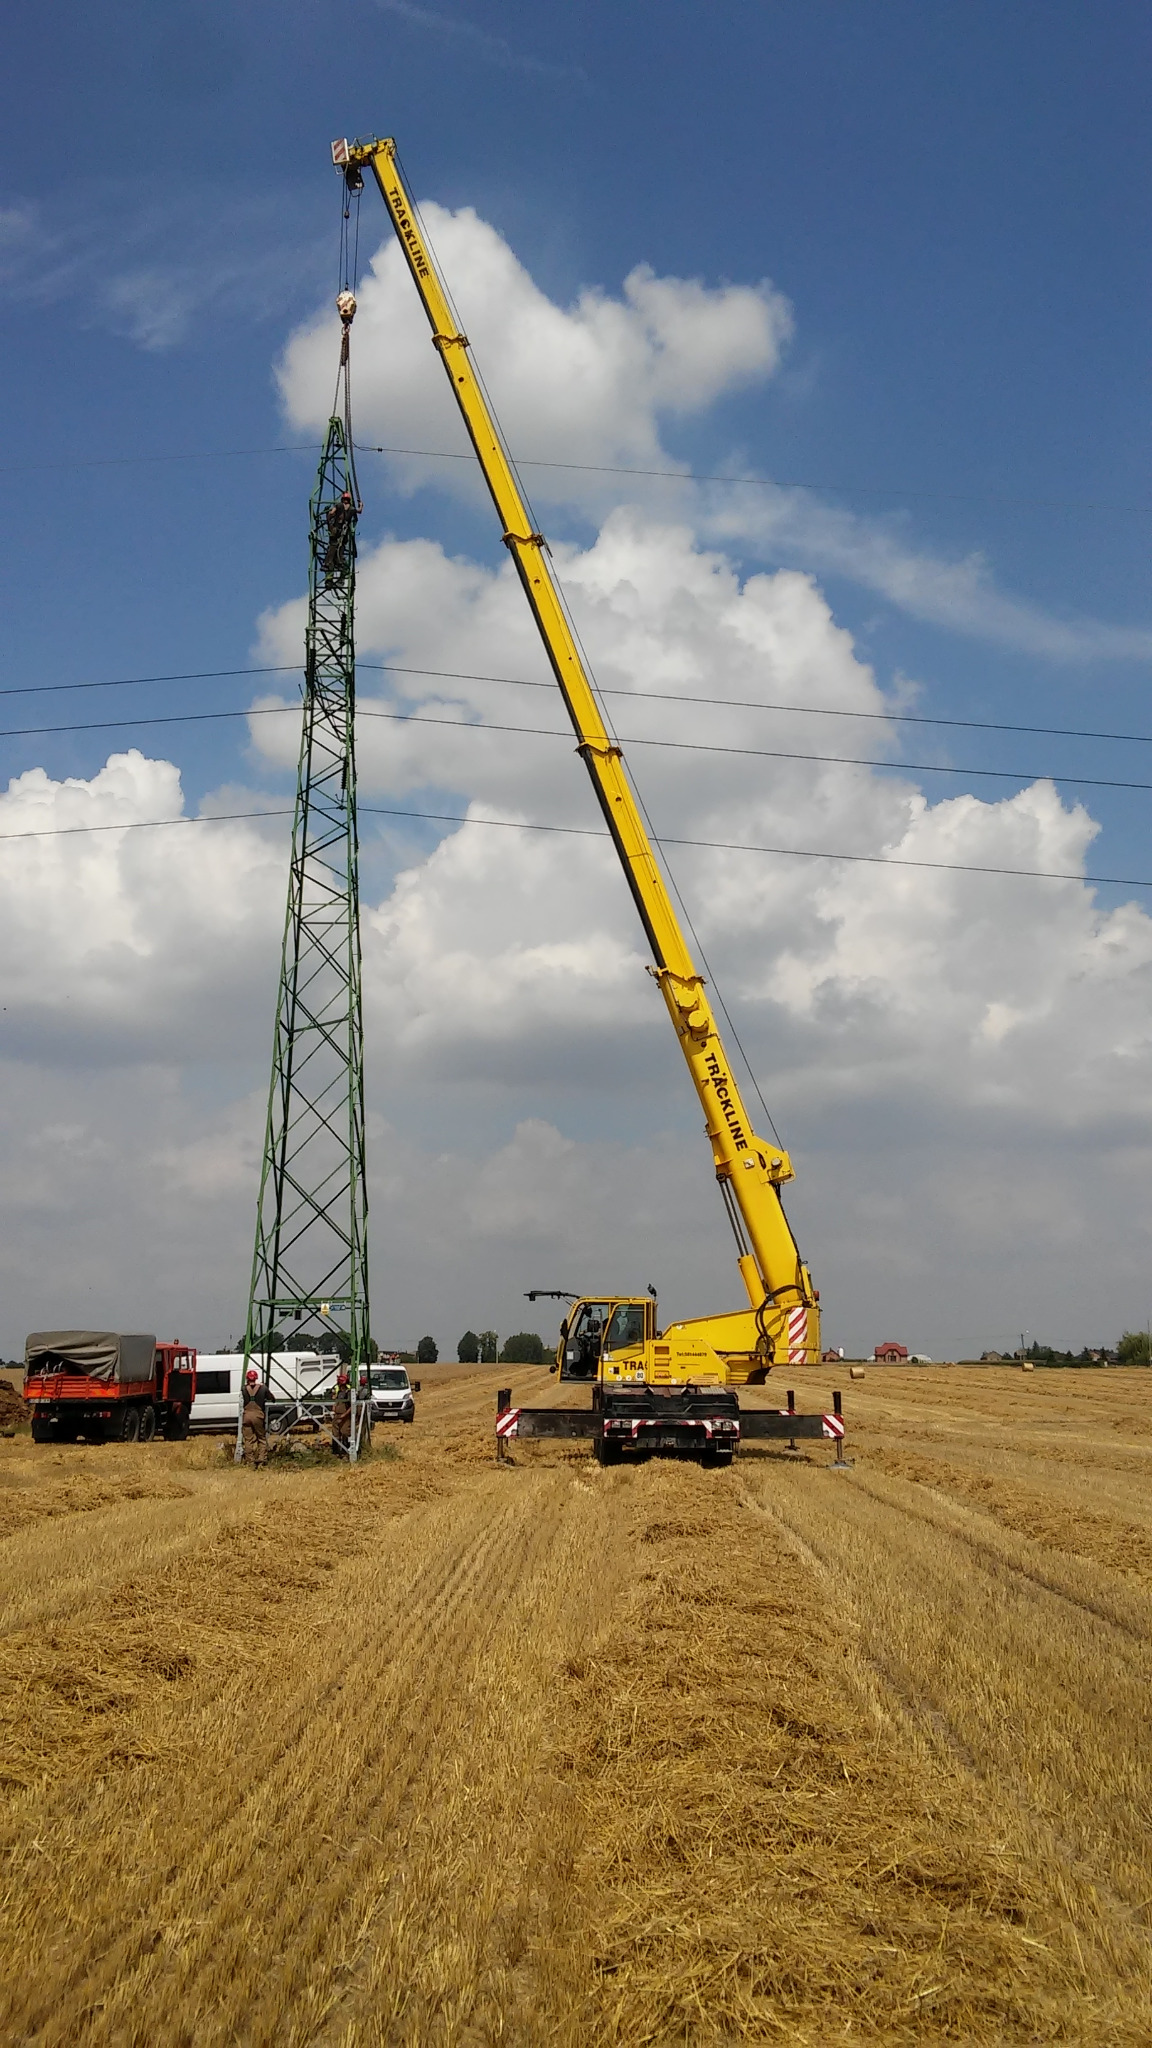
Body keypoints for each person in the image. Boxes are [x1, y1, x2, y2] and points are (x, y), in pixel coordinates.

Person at [323, 492, 356, 586]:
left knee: (332, 554)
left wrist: (328, 519)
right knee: (338, 555)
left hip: (336, 534)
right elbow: (359, 511)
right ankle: (337, 578)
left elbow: (331, 513)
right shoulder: (351, 509)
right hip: (343, 536)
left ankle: (330, 579)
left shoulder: (338, 506)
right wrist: (361, 506)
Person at [241, 1368, 270, 1468]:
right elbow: (272, 1398)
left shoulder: (244, 1389)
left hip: (246, 1416)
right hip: (258, 1416)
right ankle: (261, 1459)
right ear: (256, 1378)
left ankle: (250, 1461)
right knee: (261, 1438)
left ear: (247, 1378)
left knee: (248, 1440)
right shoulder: (263, 1388)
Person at [332, 1370, 352, 1456]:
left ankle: (345, 1451)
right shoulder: (339, 1392)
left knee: (345, 1432)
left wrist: (345, 1415)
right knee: (335, 1433)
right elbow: (336, 1401)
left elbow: (352, 1406)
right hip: (337, 1415)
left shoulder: (348, 1393)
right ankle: (336, 1451)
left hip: (345, 1416)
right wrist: (334, 1407)